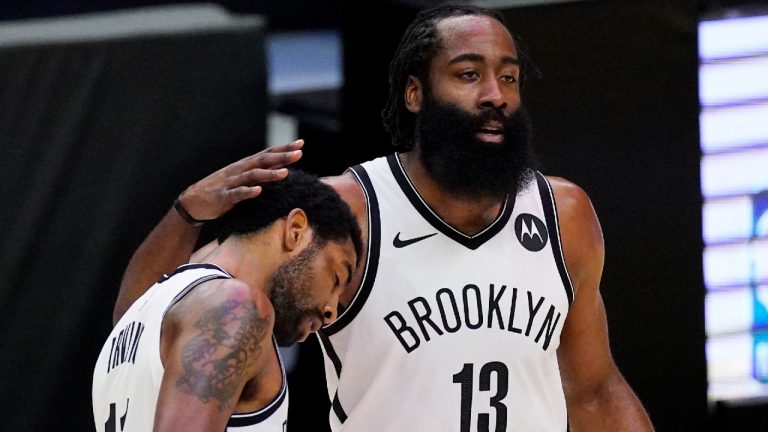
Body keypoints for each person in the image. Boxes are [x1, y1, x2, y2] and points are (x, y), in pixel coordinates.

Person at [115, 4, 655, 431]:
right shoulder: (347, 210)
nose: (495, 95)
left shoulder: (563, 214)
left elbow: (594, 391)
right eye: (469, 74)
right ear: (415, 93)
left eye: (509, 78)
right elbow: (150, 319)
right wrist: (185, 213)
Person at [93, 169, 362, 432]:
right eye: (336, 277)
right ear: (296, 230)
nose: (331, 311)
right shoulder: (235, 308)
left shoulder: (142, 313)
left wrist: (186, 211)